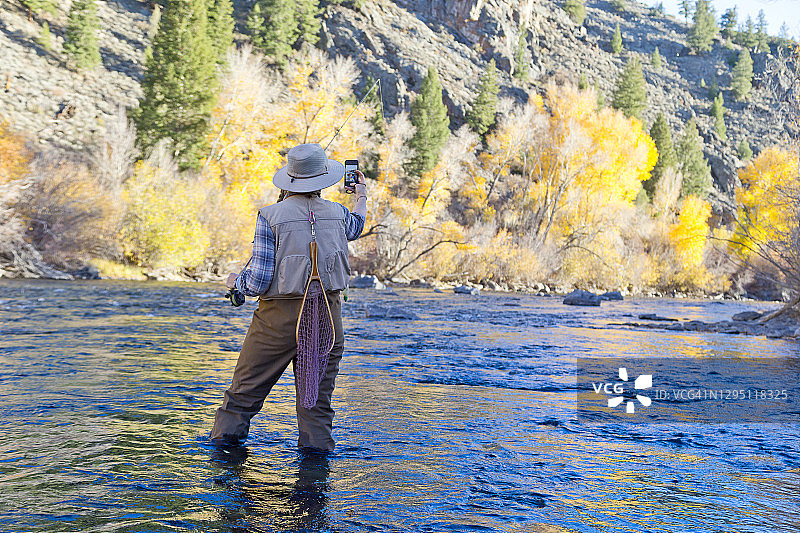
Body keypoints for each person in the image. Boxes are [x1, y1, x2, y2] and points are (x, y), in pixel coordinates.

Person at [211, 143, 367, 452]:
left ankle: (222, 476)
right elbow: (357, 226)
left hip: (276, 322)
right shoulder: (338, 212)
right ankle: (314, 489)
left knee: (241, 398)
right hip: (327, 319)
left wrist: (234, 282)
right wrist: (361, 194)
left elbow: (256, 282)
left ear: (290, 179)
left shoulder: (269, 215)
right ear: (324, 179)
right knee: (316, 409)